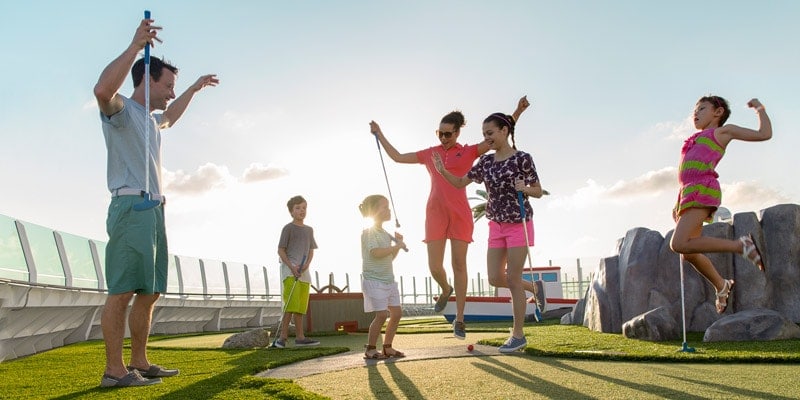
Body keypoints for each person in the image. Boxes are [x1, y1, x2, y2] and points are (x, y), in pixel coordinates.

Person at [94, 17, 218, 387]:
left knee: (150, 291)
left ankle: (140, 361)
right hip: (130, 209)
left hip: (154, 211)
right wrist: (135, 45)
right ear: (147, 80)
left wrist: (193, 90)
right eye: (167, 86)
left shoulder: (150, 120)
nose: (169, 93)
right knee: (122, 291)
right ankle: (114, 372)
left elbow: (171, 118)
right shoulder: (121, 112)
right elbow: (102, 90)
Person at [368, 96, 534, 340]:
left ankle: (459, 318)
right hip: (434, 212)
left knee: (459, 264)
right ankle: (446, 288)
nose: (443, 138)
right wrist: (379, 134)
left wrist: (518, 111)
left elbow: (500, 131)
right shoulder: (429, 153)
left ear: (457, 134)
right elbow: (397, 157)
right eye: (440, 133)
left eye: (448, 134)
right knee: (435, 266)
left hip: (460, 214)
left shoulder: (469, 152)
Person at [433, 112, 543, 353]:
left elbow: (537, 190)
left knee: (512, 278)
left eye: (490, 133)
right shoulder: (486, 162)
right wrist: (442, 171)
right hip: (496, 225)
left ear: (504, 131)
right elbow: (461, 183)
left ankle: (517, 335)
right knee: (494, 277)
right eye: (484, 135)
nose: (487, 138)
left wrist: (524, 188)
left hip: (518, 223)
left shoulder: (522, 159)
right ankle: (534, 287)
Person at [670, 96, 771, 314]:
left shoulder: (722, 132)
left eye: (702, 108)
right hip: (688, 193)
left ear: (718, 112)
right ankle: (722, 285)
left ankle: (741, 246)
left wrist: (759, 109)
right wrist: (678, 202)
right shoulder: (694, 139)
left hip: (703, 189)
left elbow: (764, 134)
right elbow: (685, 174)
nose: (695, 113)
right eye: (694, 110)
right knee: (688, 252)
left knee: (678, 244)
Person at [359, 194, 406, 359]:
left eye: (388, 207)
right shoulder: (369, 232)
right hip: (374, 280)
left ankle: (387, 347)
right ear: (374, 211)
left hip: (388, 280)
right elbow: (376, 253)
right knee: (381, 315)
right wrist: (397, 246)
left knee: (397, 313)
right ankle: (370, 349)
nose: (388, 210)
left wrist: (397, 247)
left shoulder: (385, 234)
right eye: (384, 207)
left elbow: (388, 258)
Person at [272, 195, 320, 348]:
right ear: (291, 212)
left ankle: (300, 337)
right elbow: (281, 250)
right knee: (290, 305)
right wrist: (292, 267)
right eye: (298, 208)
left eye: (304, 208)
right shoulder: (288, 228)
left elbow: (311, 251)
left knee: (300, 306)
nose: (302, 211)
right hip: (290, 271)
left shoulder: (309, 230)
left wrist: (306, 265)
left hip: (304, 272)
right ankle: (282, 338)